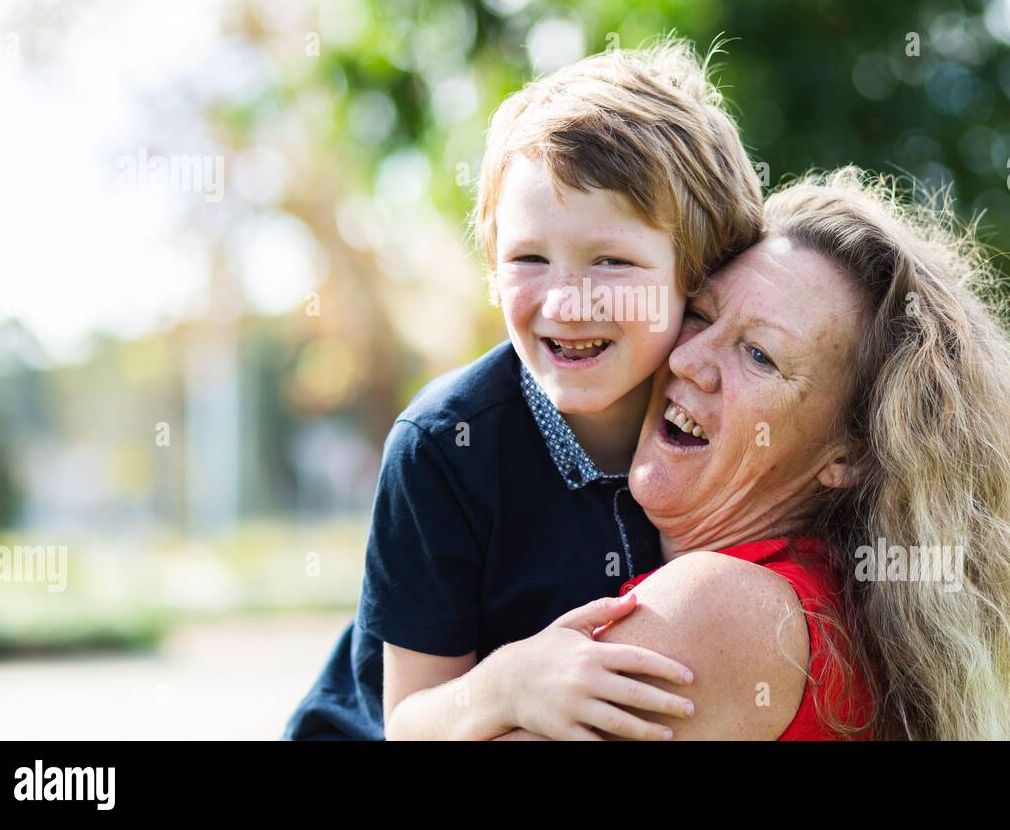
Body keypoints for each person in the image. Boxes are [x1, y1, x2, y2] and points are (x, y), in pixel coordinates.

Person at [490, 168, 1010, 740]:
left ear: (849, 454)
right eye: (700, 314)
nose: (686, 361)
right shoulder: (830, 611)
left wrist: (489, 689)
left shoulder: (721, 612)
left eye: (760, 356)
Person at [282, 38, 764, 740]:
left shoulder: (715, 415)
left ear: (696, 273)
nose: (567, 303)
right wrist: (508, 685)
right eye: (529, 259)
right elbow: (410, 721)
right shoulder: (442, 449)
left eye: (612, 262)